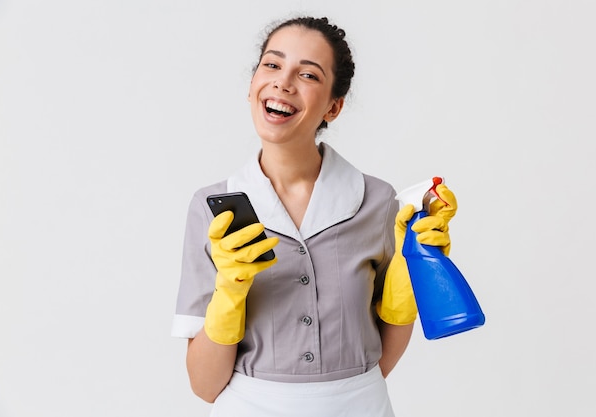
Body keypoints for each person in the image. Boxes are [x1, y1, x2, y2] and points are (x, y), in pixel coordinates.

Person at [171, 16, 458, 417]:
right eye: (272, 65)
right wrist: (230, 294)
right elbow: (204, 387)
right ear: (252, 84)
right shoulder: (212, 208)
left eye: (307, 74)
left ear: (334, 106)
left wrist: (414, 267)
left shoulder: (377, 202)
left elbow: (382, 356)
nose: (282, 83)